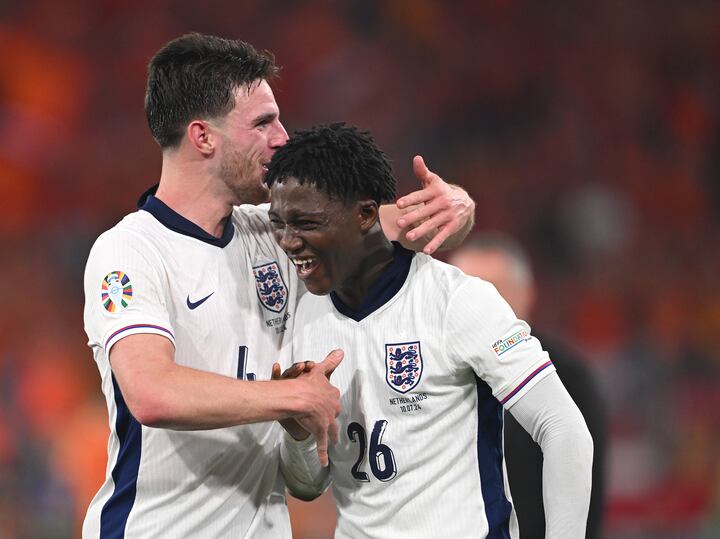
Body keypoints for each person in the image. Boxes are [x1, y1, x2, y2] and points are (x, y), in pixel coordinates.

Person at [82, 34, 475, 538]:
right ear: (204, 137)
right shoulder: (130, 251)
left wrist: (457, 203)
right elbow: (152, 392)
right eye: (263, 122)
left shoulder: (272, 233)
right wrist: (292, 398)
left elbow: (415, 222)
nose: (283, 137)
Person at [268, 123, 593, 538]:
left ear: (366, 213)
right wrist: (297, 432)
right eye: (278, 223)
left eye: (305, 223)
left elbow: (564, 429)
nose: (288, 241)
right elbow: (308, 485)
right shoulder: (302, 321)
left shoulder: (455, 301)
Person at [448, 233, 607, 538]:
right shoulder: (432, 372)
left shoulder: (568, 377)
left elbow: (587, 493)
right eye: (466, 291)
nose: (479, 306)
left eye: (495, 290)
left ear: (527, 292)